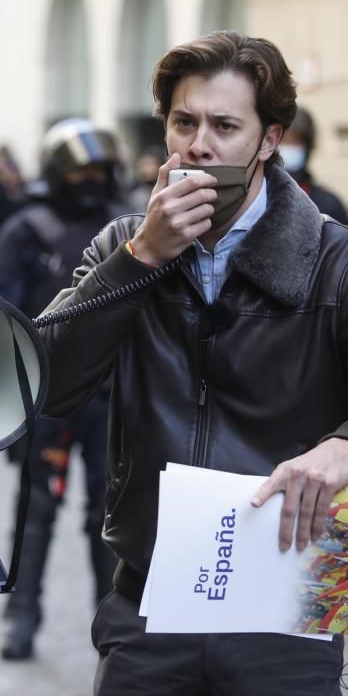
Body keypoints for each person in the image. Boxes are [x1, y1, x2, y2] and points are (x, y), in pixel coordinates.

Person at [37, 32, 348, 695]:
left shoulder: (340, 262)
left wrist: (345, 447)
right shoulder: (122, 245)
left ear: (267, 140)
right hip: (151, 598)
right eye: (183, 122)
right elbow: (46, 383)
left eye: (224, 125)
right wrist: (140, 260)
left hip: (284, 595)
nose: (198, 145)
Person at [0, 118, 128, 660]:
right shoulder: (27, 230)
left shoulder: (126, 229)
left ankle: (114, 621)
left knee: (110, 513)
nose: (90, 179)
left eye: (99, 170)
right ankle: (22, 616)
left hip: (109, 396)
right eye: (80, 170)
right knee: (36, 510)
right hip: (44, 397)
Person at [279, 106, 348, 227]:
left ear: (308, 146)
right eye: (282, 141)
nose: (288, 148)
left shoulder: (328, 205)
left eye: (295, 142)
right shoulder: (254, 202)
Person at [129, 146, 167, 213]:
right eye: (143, 165)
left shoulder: (166, 191)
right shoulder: (133, 195)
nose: (146, 169)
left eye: (150, 164)